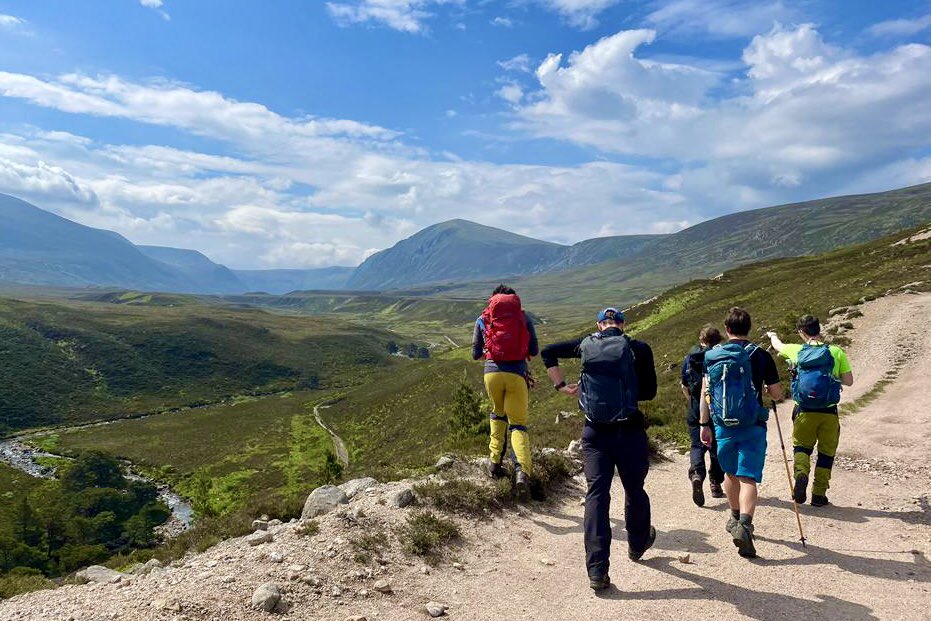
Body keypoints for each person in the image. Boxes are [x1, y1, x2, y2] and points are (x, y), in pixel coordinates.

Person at [542, 307, 657, 590]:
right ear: (622, 325)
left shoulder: (584, 345)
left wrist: (561, 386)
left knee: (596, 495)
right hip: (629, 430)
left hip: (594, 434)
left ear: (599, 326)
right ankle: (637, 544)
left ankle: (597, 570)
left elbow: (547, 352)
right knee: (634, 488)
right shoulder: (637, 348)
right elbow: (650, 392)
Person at [699, 307, 783, 559]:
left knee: (730, 473)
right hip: (752, 425)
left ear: (726, 330)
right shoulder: (760, 355)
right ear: (749, 327)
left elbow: (706, 393)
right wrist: (770, 393)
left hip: (723, 425)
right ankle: (745, 525)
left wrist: (704, 425)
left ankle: (734, 517)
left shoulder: (713, 356)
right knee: (748, 477)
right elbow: (777, 393)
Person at [766, 316, 854, 507]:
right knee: (826, 453)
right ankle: (819, 495)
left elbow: (778, 345)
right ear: (819, 329)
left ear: (801, 332)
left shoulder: (796, 350)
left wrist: (772, 335)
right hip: (829, 412)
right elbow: (849, 381)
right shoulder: (835, 352)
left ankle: (801, 474)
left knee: (802, 448)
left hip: (804, 410)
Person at [471, 284, 539, 499]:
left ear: (493, 300)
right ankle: (522, 473)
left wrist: (490, 353)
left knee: (497, 414)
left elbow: (475, 353)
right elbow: (534, 350)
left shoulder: (483, 319)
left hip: (491, 374)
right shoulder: (523, 318)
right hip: (517, 374)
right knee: (517, 424)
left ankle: (494, 463)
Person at [681, 324, 725, 506]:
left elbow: (684, 385)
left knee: (697, 444)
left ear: (701, 340)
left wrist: (693, 401)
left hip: (694, 406)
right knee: (716, 446)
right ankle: (715, 483)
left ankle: (697, 474)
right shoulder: (719, 357)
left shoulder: (690, 358)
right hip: (716, 405)